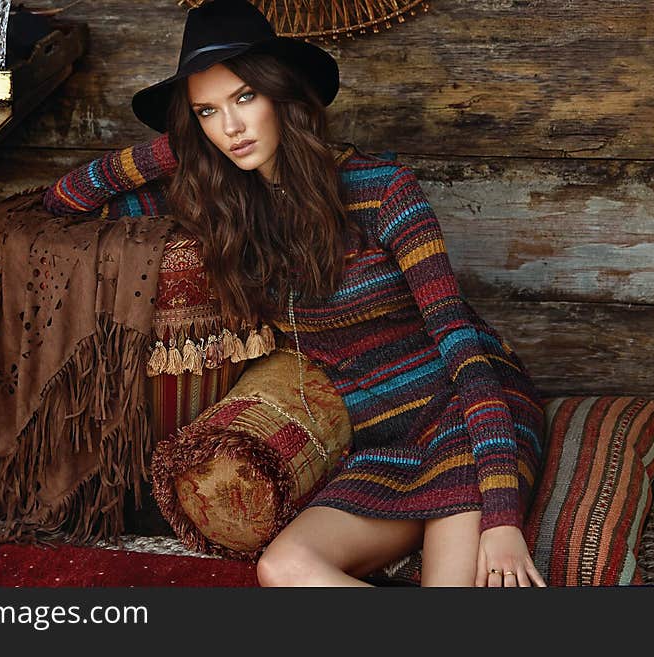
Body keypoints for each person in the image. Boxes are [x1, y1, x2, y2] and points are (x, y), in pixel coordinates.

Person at [43, 0, 547, 587]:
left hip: (463, 418)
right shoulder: (219, 202)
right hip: (381, 442)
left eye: (245, 98)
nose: (230, 127)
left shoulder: (384, 190)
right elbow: (66, 202)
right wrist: (182, 144)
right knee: (283, 568)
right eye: (208, 111)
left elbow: (463, 348)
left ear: (283, 94)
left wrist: (503, 517)